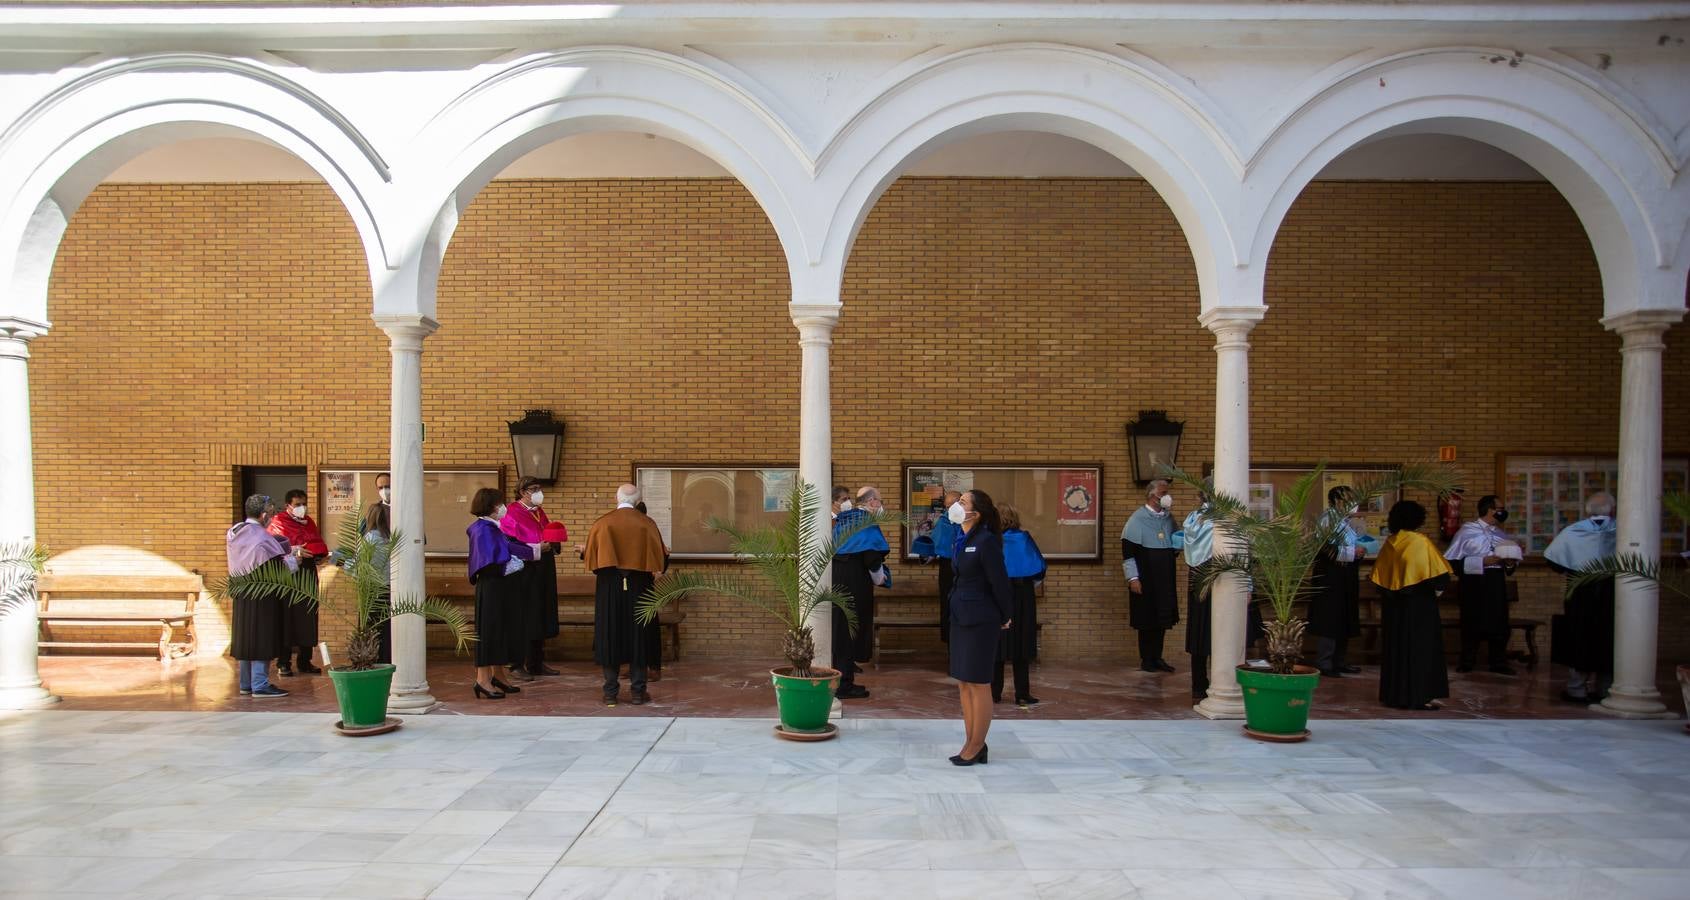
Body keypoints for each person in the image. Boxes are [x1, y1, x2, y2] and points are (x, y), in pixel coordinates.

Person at [582, 484, 668, 706]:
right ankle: (638, 692)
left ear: (616, 498)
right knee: (639, 635)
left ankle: (610, 692)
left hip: (609, 587)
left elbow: (592, 560)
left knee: (610, 633)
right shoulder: (646, 523)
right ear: (638, 500)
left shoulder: (602, 523)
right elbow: (661, 558)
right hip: (640, 586)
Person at [948, 489, 1012, 765]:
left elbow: (999, 581)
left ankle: (977, 744)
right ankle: (970, 741)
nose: (956, 505)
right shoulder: (962, 539)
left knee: (978, 682)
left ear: (977, 512)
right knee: (964, 681)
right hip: (961, 616)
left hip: (981, 618)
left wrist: (1006, 614)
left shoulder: (986, 541)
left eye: (962, 502)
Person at [1372, 500, 1454, 710]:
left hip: (1394, 609)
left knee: (1396, 650)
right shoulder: (1420, 541)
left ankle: (1394, 694)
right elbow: (1440, 576)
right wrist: (1437, 590)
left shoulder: (1390, 543)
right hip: (1419, 607)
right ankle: (1420, 695)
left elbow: (1380, 580)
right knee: (1420, 650)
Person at [1545, 492, 1617, 703]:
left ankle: (1577, 689)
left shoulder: (1574, 531)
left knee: (1579, 637)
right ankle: (1605, 689)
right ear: (1612, 509)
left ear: (1587, 510)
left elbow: (1555, 562)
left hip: (1580, 591)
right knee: (1608, 638)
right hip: (1610, 591)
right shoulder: (1622, 530)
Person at [226, 494, 297, 699]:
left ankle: (245, 683)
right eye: (271, 514)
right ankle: (260, 684)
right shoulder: (262, 537)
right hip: (262, 594)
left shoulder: (235, 531)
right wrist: (293, 562)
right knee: (261, 636)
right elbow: (277, 567)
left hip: (240, 591)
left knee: (245, 637)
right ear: (264, 515)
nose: (272, 518)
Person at [1444, 494, 1518, 675]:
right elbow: (1452, 563)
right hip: (1473, 582)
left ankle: (1498, 661)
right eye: (1499, 508)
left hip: (1496, 581)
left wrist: (1509, 562)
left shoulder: (1500, 533)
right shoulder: (1467, 531)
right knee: (1472, 620)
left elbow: (1510, 564)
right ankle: (1468, 660)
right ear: (1489, 510)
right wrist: (1482, 561)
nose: (1502, 512)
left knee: (1499, 620)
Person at [831, 485, 890, 700]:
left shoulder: (845, 519)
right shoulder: (866, 523)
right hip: (855, 583)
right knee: (851, 631)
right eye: (880, 502)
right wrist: (881, 579)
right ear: (872, 502)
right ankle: (845, 685)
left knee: (840, 632)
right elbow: (872, 559)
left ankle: (839, 679)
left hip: (837, 580)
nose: (881, 506)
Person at [501, 477, 563, 678]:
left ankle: (536, 662)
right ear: (522, 492)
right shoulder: (511, 512)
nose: (539, 492)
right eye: (534, 489)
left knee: (540, 613)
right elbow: (510, 543)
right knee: (524, 616)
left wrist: (553, 541)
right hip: (524, 571)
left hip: (542, 568)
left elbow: (546, 531)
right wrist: (536, 548)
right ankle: (516, 664)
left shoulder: (538, 511)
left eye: (539, 488)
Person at [466, 487, 525, 700]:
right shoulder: (482, 529)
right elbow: (488, 562)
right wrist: (513, 564)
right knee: (489, 632)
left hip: (501, 586)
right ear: (491, 506)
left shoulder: (493, 527)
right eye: (500, 503)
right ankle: (482, 679)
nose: (503, 507)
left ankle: (499, 675)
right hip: (491, 585)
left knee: (501, 631)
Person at [267, 489, 329, 677]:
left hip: (308, 572)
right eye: (297, 504)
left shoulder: (309, 522)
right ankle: (283, 661)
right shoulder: (278, 522)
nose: (302, 508)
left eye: (304, 503)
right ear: (288, 506)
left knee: (308, 616)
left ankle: (305, 660)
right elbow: (271, 548)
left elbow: (316, 542)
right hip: (289, 575)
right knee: (287, 618)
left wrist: (319, 556)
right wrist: (295, 551)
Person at [1122, 480, 1179, 673]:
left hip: (1165, 578)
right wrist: (1133, 578)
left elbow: (1175, 544)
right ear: (1151, 496)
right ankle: (1146, 658)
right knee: (1146, 618)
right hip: (1145, 578)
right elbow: (1128, 553)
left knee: (1162, 618)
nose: (1166, 497)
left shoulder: (1169, 519)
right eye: (1162, 493)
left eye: (1166, 493)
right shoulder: (1136, 520)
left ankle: (1157, 657)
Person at [1310, 486, 1365, 678]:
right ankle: (1325, 662)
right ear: (1336, 500)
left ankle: (1339, 660)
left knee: (1344, 617)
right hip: (1331, 576)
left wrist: (1358, 551)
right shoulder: (1328, 519)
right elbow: (1324, 548)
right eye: (1348, 499)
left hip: (1345, 575)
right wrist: (1352, 553)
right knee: (1330, 618)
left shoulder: (1345, 522)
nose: (1353, 504)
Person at [994, 504, 1044, 706]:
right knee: (1022, 645)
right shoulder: (1024, 538)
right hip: (1023, 596)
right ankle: (1022, 693)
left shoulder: (992, 539)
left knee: (997, 645)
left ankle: (993, 692)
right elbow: (1038, 569)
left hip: (999, 594)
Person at [1182, 491, 1217, 700]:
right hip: (1216, 575)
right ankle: (1223, 682)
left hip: (1196, 576)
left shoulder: (1192, 518)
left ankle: (1198, 683)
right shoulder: (1219, 519)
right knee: (1218, 630)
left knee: (1199, 629)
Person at [634, 500, 670, 680]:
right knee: (637, 628)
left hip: (643, 585)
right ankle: (637, 665)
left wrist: (658, 572)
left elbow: (663, 553)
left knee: (648, 628)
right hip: (637, 585)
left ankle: (653, 667)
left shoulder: (648, 527)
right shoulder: (643, 527)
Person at [931, 489, 962, 649]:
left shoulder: (968, 521)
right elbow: (933, 544)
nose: (949, 509)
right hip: (947, 567)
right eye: (947, 506)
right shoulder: (943, 520)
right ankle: (950, 645)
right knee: (948, 604)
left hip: (964, 567)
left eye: (952, 505)